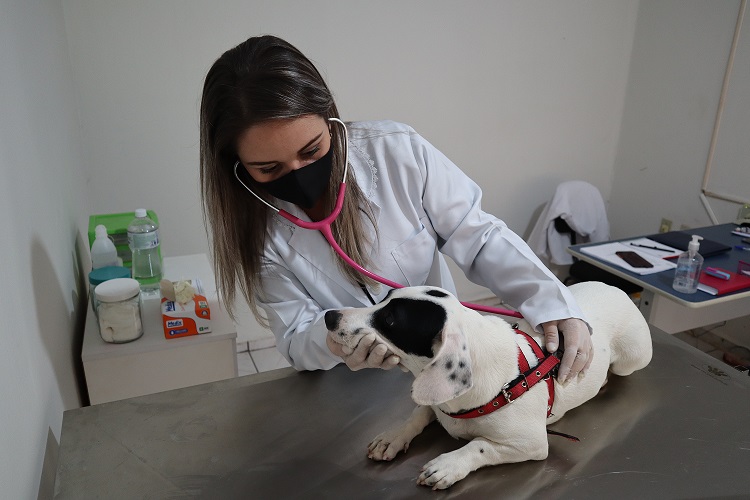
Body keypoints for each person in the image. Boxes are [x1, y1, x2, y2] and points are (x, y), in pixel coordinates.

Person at [199, 35, 593, 383]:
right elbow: (296, 339)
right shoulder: (257, 232)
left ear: (331, 120)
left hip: (443, 364)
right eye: (269, 168)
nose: (299, 174)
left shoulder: (395, 152)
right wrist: (334, 344)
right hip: (350, 388)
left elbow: (478, 237)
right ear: (236, 165)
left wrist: (551, 302)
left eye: (312, 150)